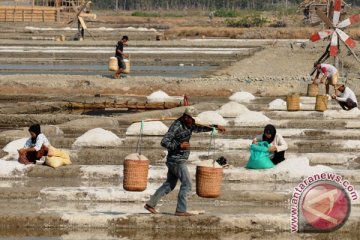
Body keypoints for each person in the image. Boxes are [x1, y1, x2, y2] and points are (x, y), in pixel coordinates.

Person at [144, 107, 225, 216]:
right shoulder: (176, 126)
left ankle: (150, 204)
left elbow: (199, 128)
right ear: (186, 117)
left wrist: (214, 127)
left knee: (169, 185)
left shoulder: (190, 124)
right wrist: (179, 145)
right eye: (192, 119)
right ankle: (181, 210)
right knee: (187, 184)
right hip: (176, 160)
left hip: (176, 160)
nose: (193, 121)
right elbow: (164, 142)